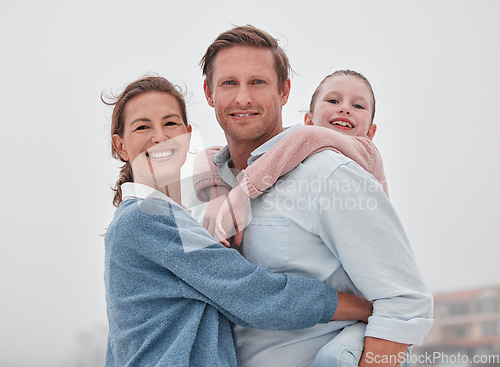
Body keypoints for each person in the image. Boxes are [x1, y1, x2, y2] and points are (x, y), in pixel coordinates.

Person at [198, 25, 434, 367]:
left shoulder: (329, 174)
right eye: (229, 83)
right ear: (209, 92)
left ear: (284, 90)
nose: (243, 98)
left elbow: (405, 304)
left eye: (258, 82)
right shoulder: (206, 184)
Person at [103, 76, 373, 366]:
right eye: (143, 126)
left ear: (187, 135)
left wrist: (220, 190)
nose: (160, 136)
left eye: (170, 123)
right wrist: (365, 307)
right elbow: (251, 293)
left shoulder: (161, 217)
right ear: (120, 146)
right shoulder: (146, 218)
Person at [193, 69, 389, 366]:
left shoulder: (364, 153)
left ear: (371, 132)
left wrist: (242, 191)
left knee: (334, 359)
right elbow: (208, 154)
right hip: (341, 312)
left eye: (358, 106)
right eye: (333, 100)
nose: (345, 108)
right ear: (309, 117)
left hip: (367, 314)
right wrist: (218, 190)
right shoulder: (302, 159)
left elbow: (307, 139)